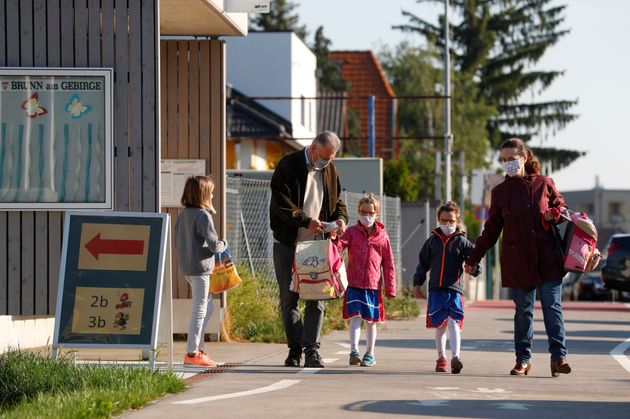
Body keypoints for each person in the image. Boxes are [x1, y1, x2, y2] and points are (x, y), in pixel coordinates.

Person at [464, 138, 571, 377]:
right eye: (504, 160)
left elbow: (563, 209)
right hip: (518, 260)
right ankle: (523, 360)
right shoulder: (501, 193)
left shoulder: (544, 184)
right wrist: (473, 257)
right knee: (523, 311)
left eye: (512, 159)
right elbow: (491, 230)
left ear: (524, 158)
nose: (508, 164)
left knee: (552, 308)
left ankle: (559, 358)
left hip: (548, 258)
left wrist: (557, 213)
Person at [270, 131, 349, 368]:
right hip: (288, 242)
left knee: (317, 298)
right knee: (289, 299)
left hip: (317, 244)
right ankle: (294, 351)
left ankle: (312, 351)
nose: (327, 162)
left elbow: (338, 203)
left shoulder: (330, 169)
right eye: (324, 157)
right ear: (313, 148)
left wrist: (341, 219)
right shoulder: (288, 164)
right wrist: (305, 221)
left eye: (332, 158)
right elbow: (281, 202)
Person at [413, 201, 477, 374]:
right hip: (436, 290)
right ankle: (441, 358)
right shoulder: (432, 242)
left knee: (453, 322)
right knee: (440, 326)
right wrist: (417, 283)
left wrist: (473, 268)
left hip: (454, 290)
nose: (447, 224)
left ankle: (456, 357)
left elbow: (473, 260)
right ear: (438, 220)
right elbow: (422, 265)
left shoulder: (462, 242)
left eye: (451, 221)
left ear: (457, 221)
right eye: (443, 220)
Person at [333, 193, 396, 367]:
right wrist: (334, 238)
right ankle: (354, 351)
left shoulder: (382, 236)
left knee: (370, 320)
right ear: (358, 212)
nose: (366, 215)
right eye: (362, 212)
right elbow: (340, 246)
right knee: (355, 316)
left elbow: (389, 263)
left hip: (373, 285)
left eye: (370, 212)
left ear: (377, 214)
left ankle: (370, 353)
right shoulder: (352, 232)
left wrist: (390, 288)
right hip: (353, 282)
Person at [175, 175, 227, 368]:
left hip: (187, 268)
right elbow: (215, 246)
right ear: (204, 194)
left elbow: (177, 242)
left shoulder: (184, 215)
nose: (213, 195)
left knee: (209, 307)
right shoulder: (203, 216)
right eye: (211, 192)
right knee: (200, 309)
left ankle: (198, 348)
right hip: (201, 269)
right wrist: (224, 244)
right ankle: (192, 352)